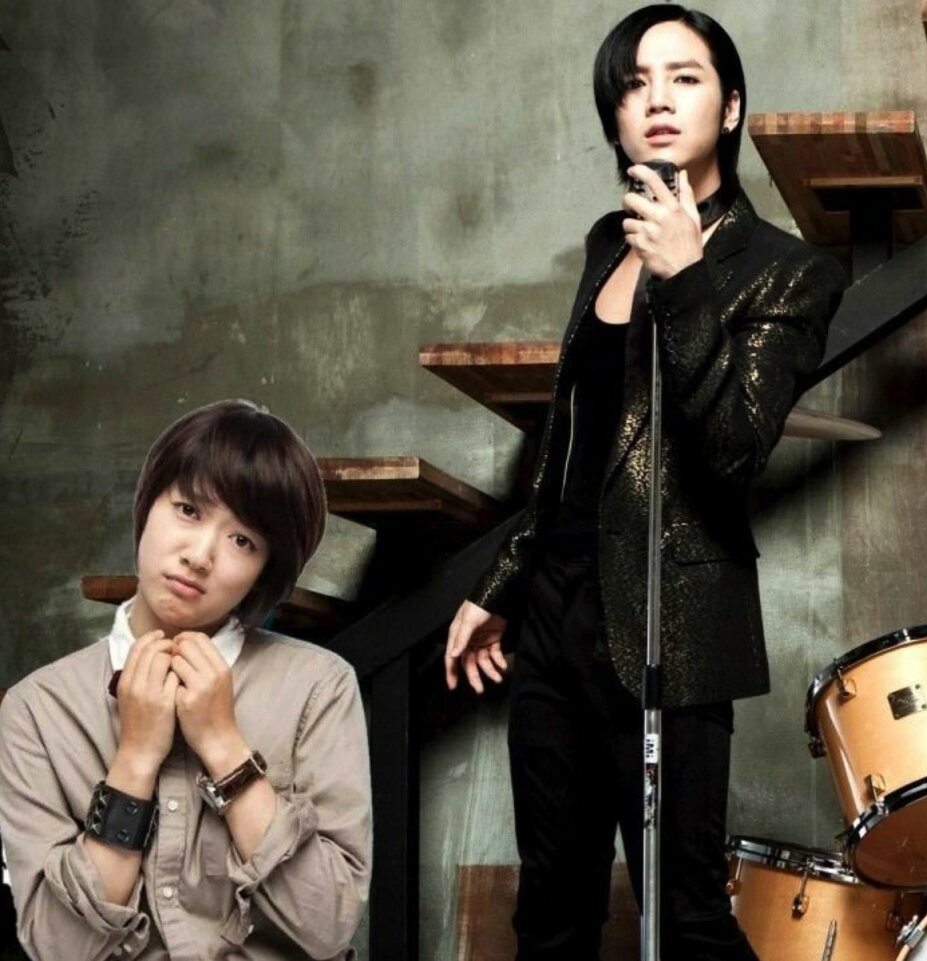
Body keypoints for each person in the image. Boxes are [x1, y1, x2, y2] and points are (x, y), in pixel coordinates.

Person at [439, 5, 846, 958]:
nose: (656, 98)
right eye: (633, 83)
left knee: (686, 916)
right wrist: (501, 585)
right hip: (554, 613)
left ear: (731, 106)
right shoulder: (604, 246)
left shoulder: (789, 272)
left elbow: (736, 448)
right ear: (615, 118)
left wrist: (687, 276)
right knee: (550, 911)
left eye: (684, 76)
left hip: (673, 618)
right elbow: (571, 451)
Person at [0, 399, 370, 960]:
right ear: (148, 504)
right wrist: (134, 760)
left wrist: (223, 745)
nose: (199, 556)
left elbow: (328, 926)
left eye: (243, 541)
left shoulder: (318, 687)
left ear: (263, 573)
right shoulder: (37, 709)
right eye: (188, 510)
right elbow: (58, 947)